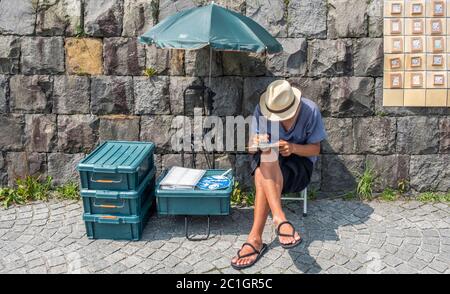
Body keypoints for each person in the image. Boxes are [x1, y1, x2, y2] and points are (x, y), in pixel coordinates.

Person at [231, 80, 327, 270]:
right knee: (267, 155)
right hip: (269, 163)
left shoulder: (310, 111)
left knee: (260, 176)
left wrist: (292, 147)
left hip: (298, 167)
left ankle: (255, 239)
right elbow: (251, 150)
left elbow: (316, 149)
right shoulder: (262, 110)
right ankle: (280, 218)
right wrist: (256, 142)